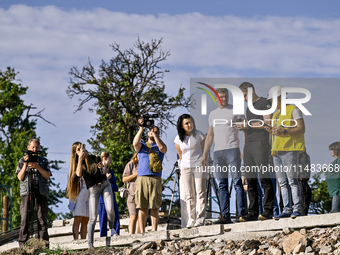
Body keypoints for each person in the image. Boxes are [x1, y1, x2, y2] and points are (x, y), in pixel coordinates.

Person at [201, 88, 246, 224]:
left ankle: (241, 214)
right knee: (222, 185)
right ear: (216, 98)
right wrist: (204, 155)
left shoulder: (236, 110)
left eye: (225, 96)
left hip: (233, 150)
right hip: (218, 152)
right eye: (221, 97)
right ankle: (225, 215)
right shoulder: (213, 114)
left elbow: (244, 128)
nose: (223, 99)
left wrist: (244, 148)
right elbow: (210, 135)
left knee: (237, 182)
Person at [235, 82, 274, 222]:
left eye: (244, 95)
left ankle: (268, 211)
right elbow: (248, 128)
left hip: (261, 144)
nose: (244, 99)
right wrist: (244, 148)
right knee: (250, 180)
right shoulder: (248, 109)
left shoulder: (265, 103)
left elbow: (267, 122)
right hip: (249, 146)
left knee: (264, 177)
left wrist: (248, 124)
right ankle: (252, 213)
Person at [264, 86, 305, 219]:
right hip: (277, 151)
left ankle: (297, 208)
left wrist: (285, 131)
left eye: (272, 100)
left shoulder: (294, 110)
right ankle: (286, 209)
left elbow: (301, 128)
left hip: (290, 150)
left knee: (292, 180)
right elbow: (277, 132)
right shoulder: (276, 114)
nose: (271, 103)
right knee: (282, 182)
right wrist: (269, 129)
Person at [67, 142, 116, 248]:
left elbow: (102, 171)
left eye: (82, 148)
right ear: (75, 153)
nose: (82, 150)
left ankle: (109, 230)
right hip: (86, 191)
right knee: (85, 217)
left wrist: (103, 169)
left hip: (98, 187)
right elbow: (79, 174)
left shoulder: (94, 158)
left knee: (94, 216)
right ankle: (83, 243)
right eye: (79, 149)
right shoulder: (78, 164)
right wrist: (80, 158)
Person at [16, 139, 51, 247]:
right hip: (27, 191)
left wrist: (37, 166)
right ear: (28, 148)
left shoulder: (43, 161)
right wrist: (26, 164)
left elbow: (47, 175)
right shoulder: (22, 160)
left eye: (36, 147)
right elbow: (20, 177)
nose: (34, 149)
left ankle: (43, 243)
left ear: (39, 148)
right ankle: (23, 244)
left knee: (42, 218)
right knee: (25, 217)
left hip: (40, 191)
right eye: (32, 147)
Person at [133, 120, 167, 233]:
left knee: (154, 207)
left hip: (155, 178)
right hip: (142, 178)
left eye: (156, 131)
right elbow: (135, 143)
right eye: (152, 131)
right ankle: (142, 231)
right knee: (142, 207)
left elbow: (163, 149)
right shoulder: (142, 146)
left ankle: (154, 231)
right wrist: (141, 128)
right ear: (148, 133)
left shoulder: (159, 146)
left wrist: (156, 137)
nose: (154, 132)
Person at [174, 114, 207, 228]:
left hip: (199, 165)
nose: (189, 125)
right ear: (182, 126)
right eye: (186, 123)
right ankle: (191, 220)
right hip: (185, 167)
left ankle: (200, 219)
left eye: (190, 122)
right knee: (189, 194)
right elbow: (181, 155)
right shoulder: (178, 138)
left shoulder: (199, 134)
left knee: (201, 192)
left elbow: (204, 150)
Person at [98, 152, 120, 237]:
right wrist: (104, 179)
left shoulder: (111, 172)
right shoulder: (98, 171)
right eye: (109, 158)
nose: (111, 160)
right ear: (104, 158)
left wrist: (110, 184)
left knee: (115, 218)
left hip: (112, 198)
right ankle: (103, 238)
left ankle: (116, 235)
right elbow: (96, 186)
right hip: (102, 200)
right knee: (103, 220)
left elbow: (116, 187)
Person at [122, 153, 140, 234]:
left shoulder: (145, 164)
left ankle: (139, 238)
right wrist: (134, 175)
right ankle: (131, 237)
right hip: (132, 195)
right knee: (133, 217)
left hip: (142, 195)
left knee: (140, 218)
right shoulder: (130, 164)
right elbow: (124, 179)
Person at [326, 142, 340, 213]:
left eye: (332, 150)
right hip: (334, 192)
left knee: (335, 211)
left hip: (338, 191)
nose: (331, 151)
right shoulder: (335, 162)